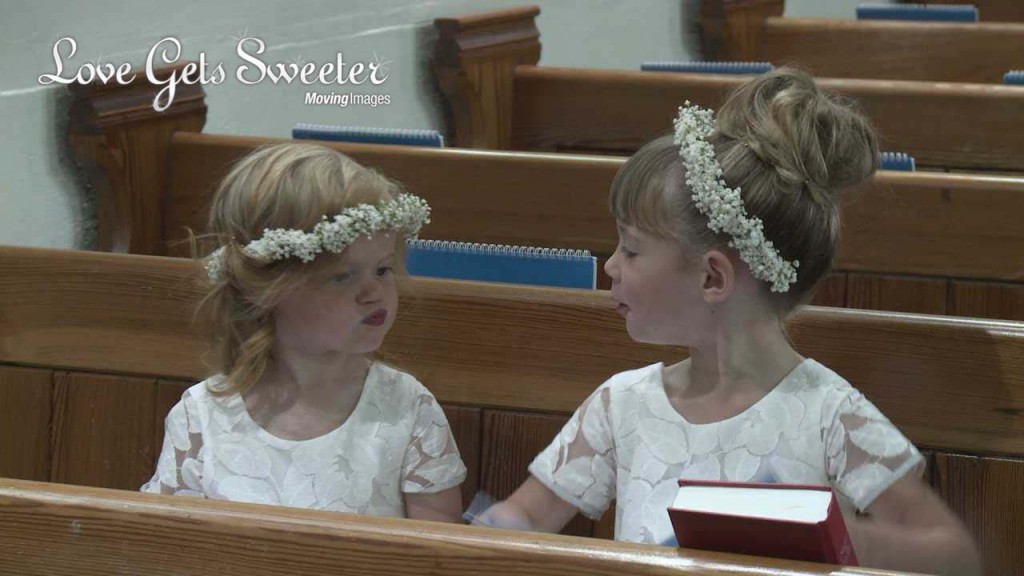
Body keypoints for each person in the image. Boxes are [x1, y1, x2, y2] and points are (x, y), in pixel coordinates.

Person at [469, 68, 981, 575]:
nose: (611, 266)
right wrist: (481, 531)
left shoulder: (831, 415)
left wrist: (825, 536)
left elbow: (954, 556)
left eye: (631, 249)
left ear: (712, 277)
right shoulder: (621, 405)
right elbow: (526, 515)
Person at [142, 142, 466, 522]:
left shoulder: (406, 408)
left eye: (382, 270)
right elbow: (169, 541)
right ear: (270, 290)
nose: (374, 293)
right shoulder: (201, 417)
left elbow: (441, 546)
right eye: (343, 276)